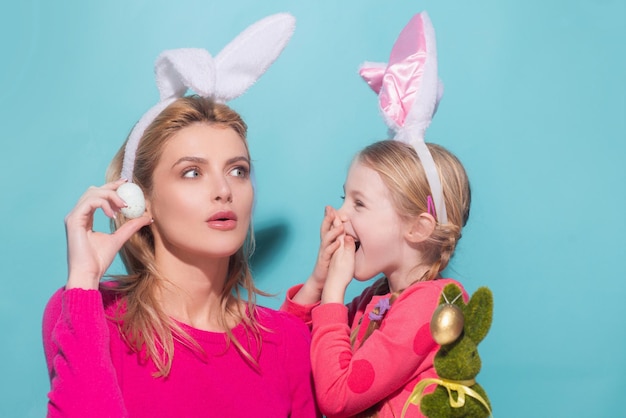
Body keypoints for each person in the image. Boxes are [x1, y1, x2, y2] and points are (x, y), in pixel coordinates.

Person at [42, 13, 319, 418]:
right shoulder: (84, 312)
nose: (224, 189)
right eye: (192, 172)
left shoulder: (289, 343)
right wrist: (83, 283)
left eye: (237, 170)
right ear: (141, 199)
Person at [281, 12, 473, 417]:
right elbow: (287, 352)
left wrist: (333, 295)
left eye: (359, 203)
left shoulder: (432, 306)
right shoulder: (377, 298)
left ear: (418, 227)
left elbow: (338, 398)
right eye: (344, 198)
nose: (341, 216)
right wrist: (319, 280)